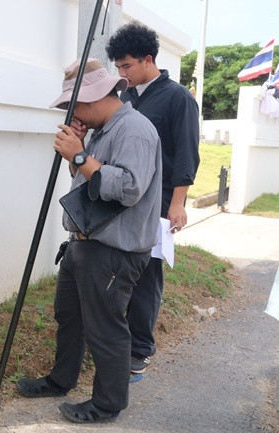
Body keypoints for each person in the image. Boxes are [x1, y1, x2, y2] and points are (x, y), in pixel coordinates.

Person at [15, 57, 162, 423]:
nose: (71, 112)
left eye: (73, 105)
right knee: (69, 316)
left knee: (105, 328)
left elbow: (129, 188)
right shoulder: (103, 130)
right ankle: (61, 379)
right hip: (84, 242)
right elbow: (88, 179)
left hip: (113, 250)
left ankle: (108, 403)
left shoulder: (135, 131)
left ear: (93, 98)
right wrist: (80, 149)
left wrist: (79, 154)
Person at [106, 22, 200, 374]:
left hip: (159, 202)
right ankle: (116, 341)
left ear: (148, 60)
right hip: (125, 196)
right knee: (119, 268)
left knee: (147, 274)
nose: (122, 74)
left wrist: (178, 203)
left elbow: (187, 154)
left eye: (127, 66)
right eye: (118, 67)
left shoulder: (178, 98)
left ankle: (140, 348)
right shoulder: (125, 98)